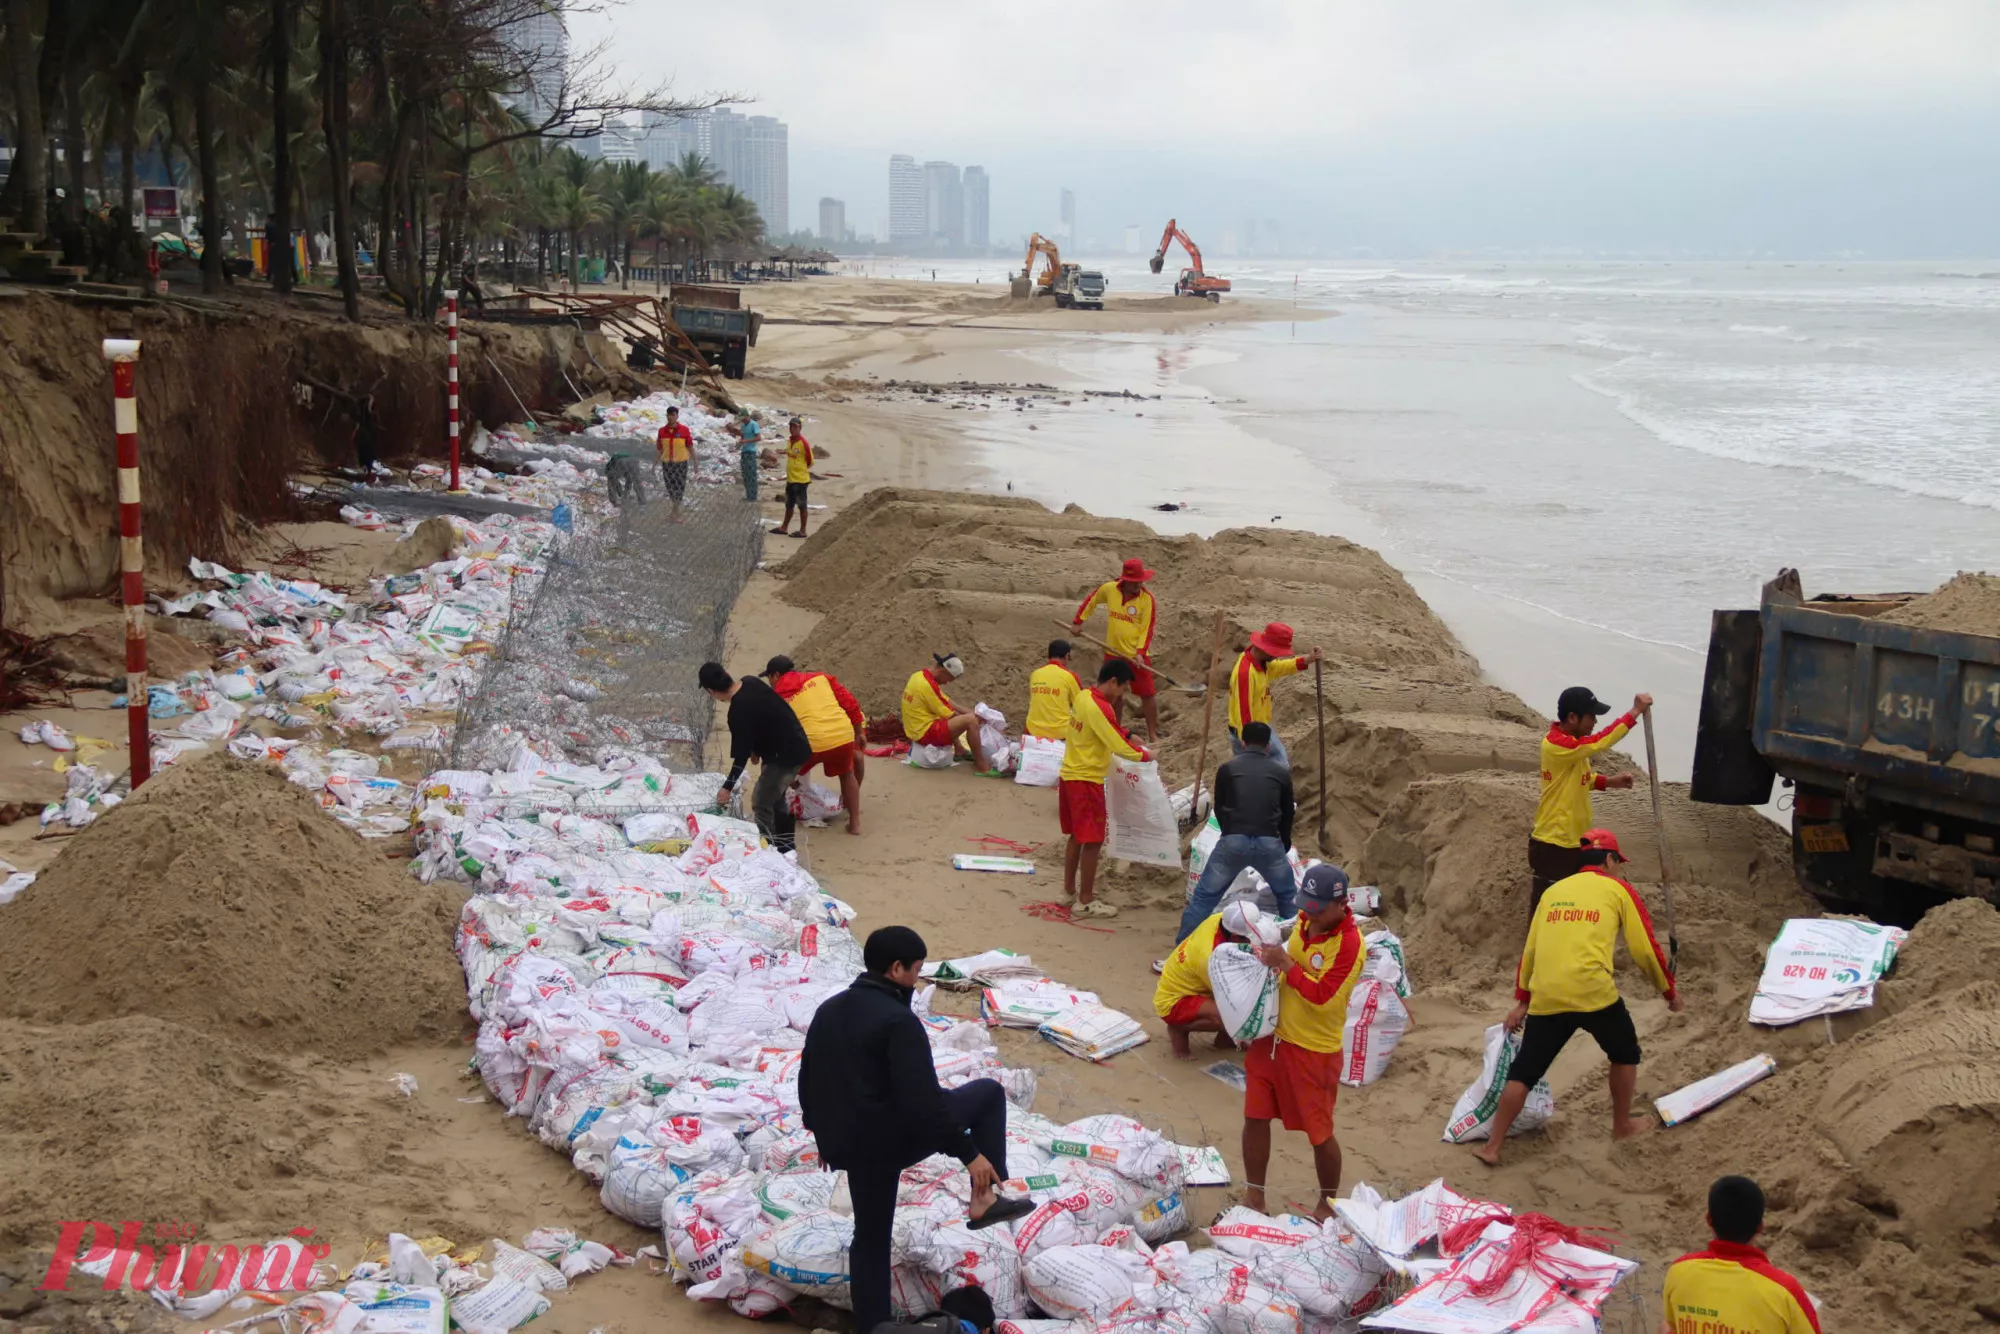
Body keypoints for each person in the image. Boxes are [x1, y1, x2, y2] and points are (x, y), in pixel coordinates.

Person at [800, 926, 1034, 1334]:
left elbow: (809, 1079)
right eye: (916, 970)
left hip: (849, 1142)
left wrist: (820, 1132)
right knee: (988, 1094)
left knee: (870, 1237)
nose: (918, 979)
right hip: (886, 1139)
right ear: (896, 969)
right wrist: (970, 1154)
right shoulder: (898, 1021)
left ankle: (875, 1327)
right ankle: (986, 1197)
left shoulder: (830, 1009)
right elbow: (923, 1106)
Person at [1473, 827, 1681, 1167]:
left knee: (1524, 1071)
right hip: (1594, 993)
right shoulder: (1618, 890)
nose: (1619, 869)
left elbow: (1531, 950)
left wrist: (1523, 1000)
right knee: (1625, 1051)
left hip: (1549, 994)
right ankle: (1622, 1126)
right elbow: (1646, 949)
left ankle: (1493, 1147)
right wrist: (1669, 991)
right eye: (1618, 862)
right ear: (1610, 860)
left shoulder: (1553, 893)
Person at [1243, 864, 1365, 1220]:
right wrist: (1271, 957)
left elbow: (1323, 994)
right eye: (1306, 904)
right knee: (1255, 1115)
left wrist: (1286, 965)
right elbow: (1289, 953)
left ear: (1341, 904)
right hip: (1273, 1039)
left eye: (1318, 907)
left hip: (1314, 1051)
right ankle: (1255, 1196)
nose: (1309, 913)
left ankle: (1326, 1205)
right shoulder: (1303, 919)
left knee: (1319, 1132)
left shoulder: (1350, 945)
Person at [1532, 685, 1652, 911]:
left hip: (1571, 842)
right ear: (1572, 717)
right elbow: (1600, 741)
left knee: (1567, 908)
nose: (1595, 721)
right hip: (1553, 844)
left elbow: (1581, 778)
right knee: (1547, 911)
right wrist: (1634, 712)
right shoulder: (1558, 744)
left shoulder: (1572, 748)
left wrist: (1608, 782)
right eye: (1591, 716)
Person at [1176, 721, 1299, 942]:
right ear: (1268, 745)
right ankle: (1297, 951)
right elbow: (1286, 811)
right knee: (1288, 897)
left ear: (1242, 743)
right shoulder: (1280, 773)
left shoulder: (1228, 769)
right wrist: (1284, 841)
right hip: (1269, 842)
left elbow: (1221, 806)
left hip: (1233, 840)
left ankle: (1180, 952)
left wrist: (1230, 834)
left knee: (1204, 897)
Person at [1660, 1176, 1821, 1334]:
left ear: (1709, 1219)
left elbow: (1672, 1326)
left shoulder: (1678, 1271)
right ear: (1760, 1227)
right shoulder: (1786, 1291)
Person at [1058, 659, 1153, 920]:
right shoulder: (1102, 707)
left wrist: (1128, 733)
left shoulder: (1083, 697)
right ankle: (1086, 900)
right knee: (1093, 840)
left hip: (1069, 774)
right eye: (1122, 689)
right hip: (1086, 779)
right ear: (1113, 682)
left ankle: (1068, 891)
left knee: (1077, 836)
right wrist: (1147, 756)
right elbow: (1116, 745)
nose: (1121, 695)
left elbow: (1106, 729)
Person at [700, 661, 812, 854]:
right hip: (797, 743)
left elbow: (741, 757)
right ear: (726, 673)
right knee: (776, 798)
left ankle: (768, 850)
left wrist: (726, 788)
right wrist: (756, 751)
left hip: (785, 756)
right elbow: (767, 716)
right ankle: (786, 847)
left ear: (711, 691)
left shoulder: (737, 712)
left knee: (761, 802)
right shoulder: (751, 682)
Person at [764, 654, 866, 836]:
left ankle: (775, 821)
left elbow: (776, 728)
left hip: (810, 742)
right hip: (842, 735)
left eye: (769, 678)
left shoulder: (777, 694)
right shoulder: (821, 678)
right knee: (847, 774)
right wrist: (859, 731)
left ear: (776, 675)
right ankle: (855, 824)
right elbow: (849, 702)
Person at [1072, 558, 1161, 742]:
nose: (1138, 585)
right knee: (1114, 694)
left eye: (1140, 581)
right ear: (1124, 580)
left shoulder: (1147, 600)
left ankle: (1153, 733)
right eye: (1134, 582)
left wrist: (1140, 653)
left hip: (1137, 656)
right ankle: (1116, 728)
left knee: (1148, 694)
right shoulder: (1109, 589)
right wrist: (1078, 622)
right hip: (1113, 653)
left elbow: (1147, 628)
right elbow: (1092, 600)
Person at [1154, 901, 1252, 1059]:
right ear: (1235, 937)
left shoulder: (1220, 919)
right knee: (1231, 1013)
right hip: (1175, 1001)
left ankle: (1224, 1040)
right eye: (1248, 939)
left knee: (1238, 1007)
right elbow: (1230, 996)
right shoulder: (1209, 959)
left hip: (1195, 984)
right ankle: (1179, 1029)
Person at [1228, 623, 1323, 769]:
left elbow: (1277, 668)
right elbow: (1243, 712)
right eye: (1276, 652)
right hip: (1248, 734)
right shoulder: (1245, 673)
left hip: (1260, 726)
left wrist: (1305, 660)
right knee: (1258, 774)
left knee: (1280, 765)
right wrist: (1249, 742)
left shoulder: (1260, 662)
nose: (1277, 656)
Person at [900, 653, 995, 773]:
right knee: (970, 721)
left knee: (966, 718)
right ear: (943, 671)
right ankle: (982, 766)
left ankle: (959, 749)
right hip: (924, 733)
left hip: (916, 728)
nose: (946, 683)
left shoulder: (919, 676)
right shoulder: (927, 685)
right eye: (949, 679)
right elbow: (952, 714)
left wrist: (977, 713)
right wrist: (975, 719)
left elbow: (949, 702)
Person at [1025, 640, 1082, 743]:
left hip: (1033, 731)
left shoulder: (1035, 674)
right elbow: (1080, 705)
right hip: (1060, 733)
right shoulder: (1070, 676)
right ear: (1067, 656)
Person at [771, 417, 814, 538]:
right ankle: (784, 527)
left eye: (795, 427)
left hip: (800, 480)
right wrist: (783, 452)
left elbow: (810, 461)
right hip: (790, 478)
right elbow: (791, 452)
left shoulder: (803, 443)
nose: (792, 429)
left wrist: (800, 469)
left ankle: (803, 530)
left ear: (800, 428)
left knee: (802, 505)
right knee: (789, 504)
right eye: (791, 426)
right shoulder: (790, 441)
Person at [656, 404, 695, 522]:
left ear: (677, 416)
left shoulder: (684, 430)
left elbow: (690, 447)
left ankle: (675, 513)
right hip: (667, 464)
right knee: (670, 487)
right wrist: (654, 464)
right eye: (669, 415)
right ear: (666, 416)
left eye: (673, 415)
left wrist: (696, 462)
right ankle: (674, 513)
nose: (670, 417)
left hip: (680, 464)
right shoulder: (662, 431)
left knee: (679, 487)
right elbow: (660, 449)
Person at [736, 410, 762, 502]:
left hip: (751, 452)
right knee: (745, 474)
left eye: (743, 418)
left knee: (752, 474)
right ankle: (748, 495)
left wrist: (746, 441)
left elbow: (759, 437)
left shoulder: (753, 424)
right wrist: (739, 443)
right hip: (744, 451)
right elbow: (743, 437)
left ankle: (753, 496)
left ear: (747, 416)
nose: (743, 420)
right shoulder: (743, 426)